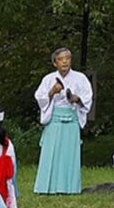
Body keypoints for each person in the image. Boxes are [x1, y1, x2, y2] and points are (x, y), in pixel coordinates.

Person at [31, 48, 91, 195]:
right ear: (54, 63)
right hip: (55, 118)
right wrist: (52, 92)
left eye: (67, 58)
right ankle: (47, 187)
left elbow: (87, 97)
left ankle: (70, 187)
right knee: (50, 151)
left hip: (71, 118)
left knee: (70, 154)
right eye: (61, 59)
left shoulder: (80, 78)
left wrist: (76, 98)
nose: (65, 61)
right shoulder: (48, 79)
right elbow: (40, 97)